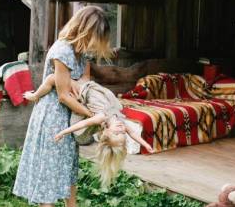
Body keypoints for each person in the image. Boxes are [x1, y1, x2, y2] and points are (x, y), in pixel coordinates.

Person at [13, 6, 113, 207]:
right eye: (95, 36)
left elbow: (85, 79)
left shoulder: (81, 52)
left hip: (70, 116)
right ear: (85, 30)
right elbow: (63, 96)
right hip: (52, 116)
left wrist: (84, 88)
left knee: (68, 164)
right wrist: (95, 117)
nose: (96, 43)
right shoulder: (62, 51)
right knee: (48, 168)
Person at [24, 74, 154, 187]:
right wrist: (146, 144)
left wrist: (63, 132)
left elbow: (82, 124)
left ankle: (35, 96)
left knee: (52, 79)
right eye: (122, 133)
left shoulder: (101, 117)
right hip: (96, 89)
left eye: (116, 133)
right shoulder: (121, 122)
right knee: (77, 75)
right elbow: (133, 134)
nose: (121, 129)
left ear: (107, 132)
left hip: (84, 90)